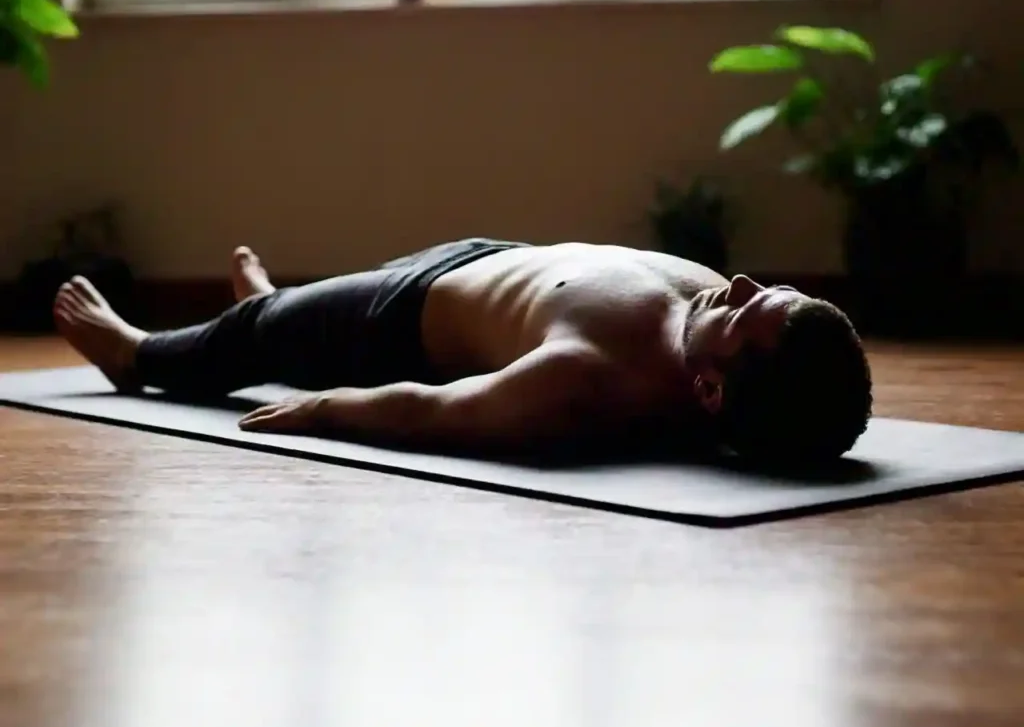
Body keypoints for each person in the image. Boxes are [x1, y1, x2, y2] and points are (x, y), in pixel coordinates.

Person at [53, 238, 872, 463]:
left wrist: (328, 409)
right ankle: (275, 310)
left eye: (745, 311)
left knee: (265, 338)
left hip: (401, 322)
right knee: (294, 313)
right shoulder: (705, 324)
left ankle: (136, 353)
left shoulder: (590, 379)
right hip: (483, 260)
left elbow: (440, 411)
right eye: (763, 291)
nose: (736, 283)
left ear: (709, 392)